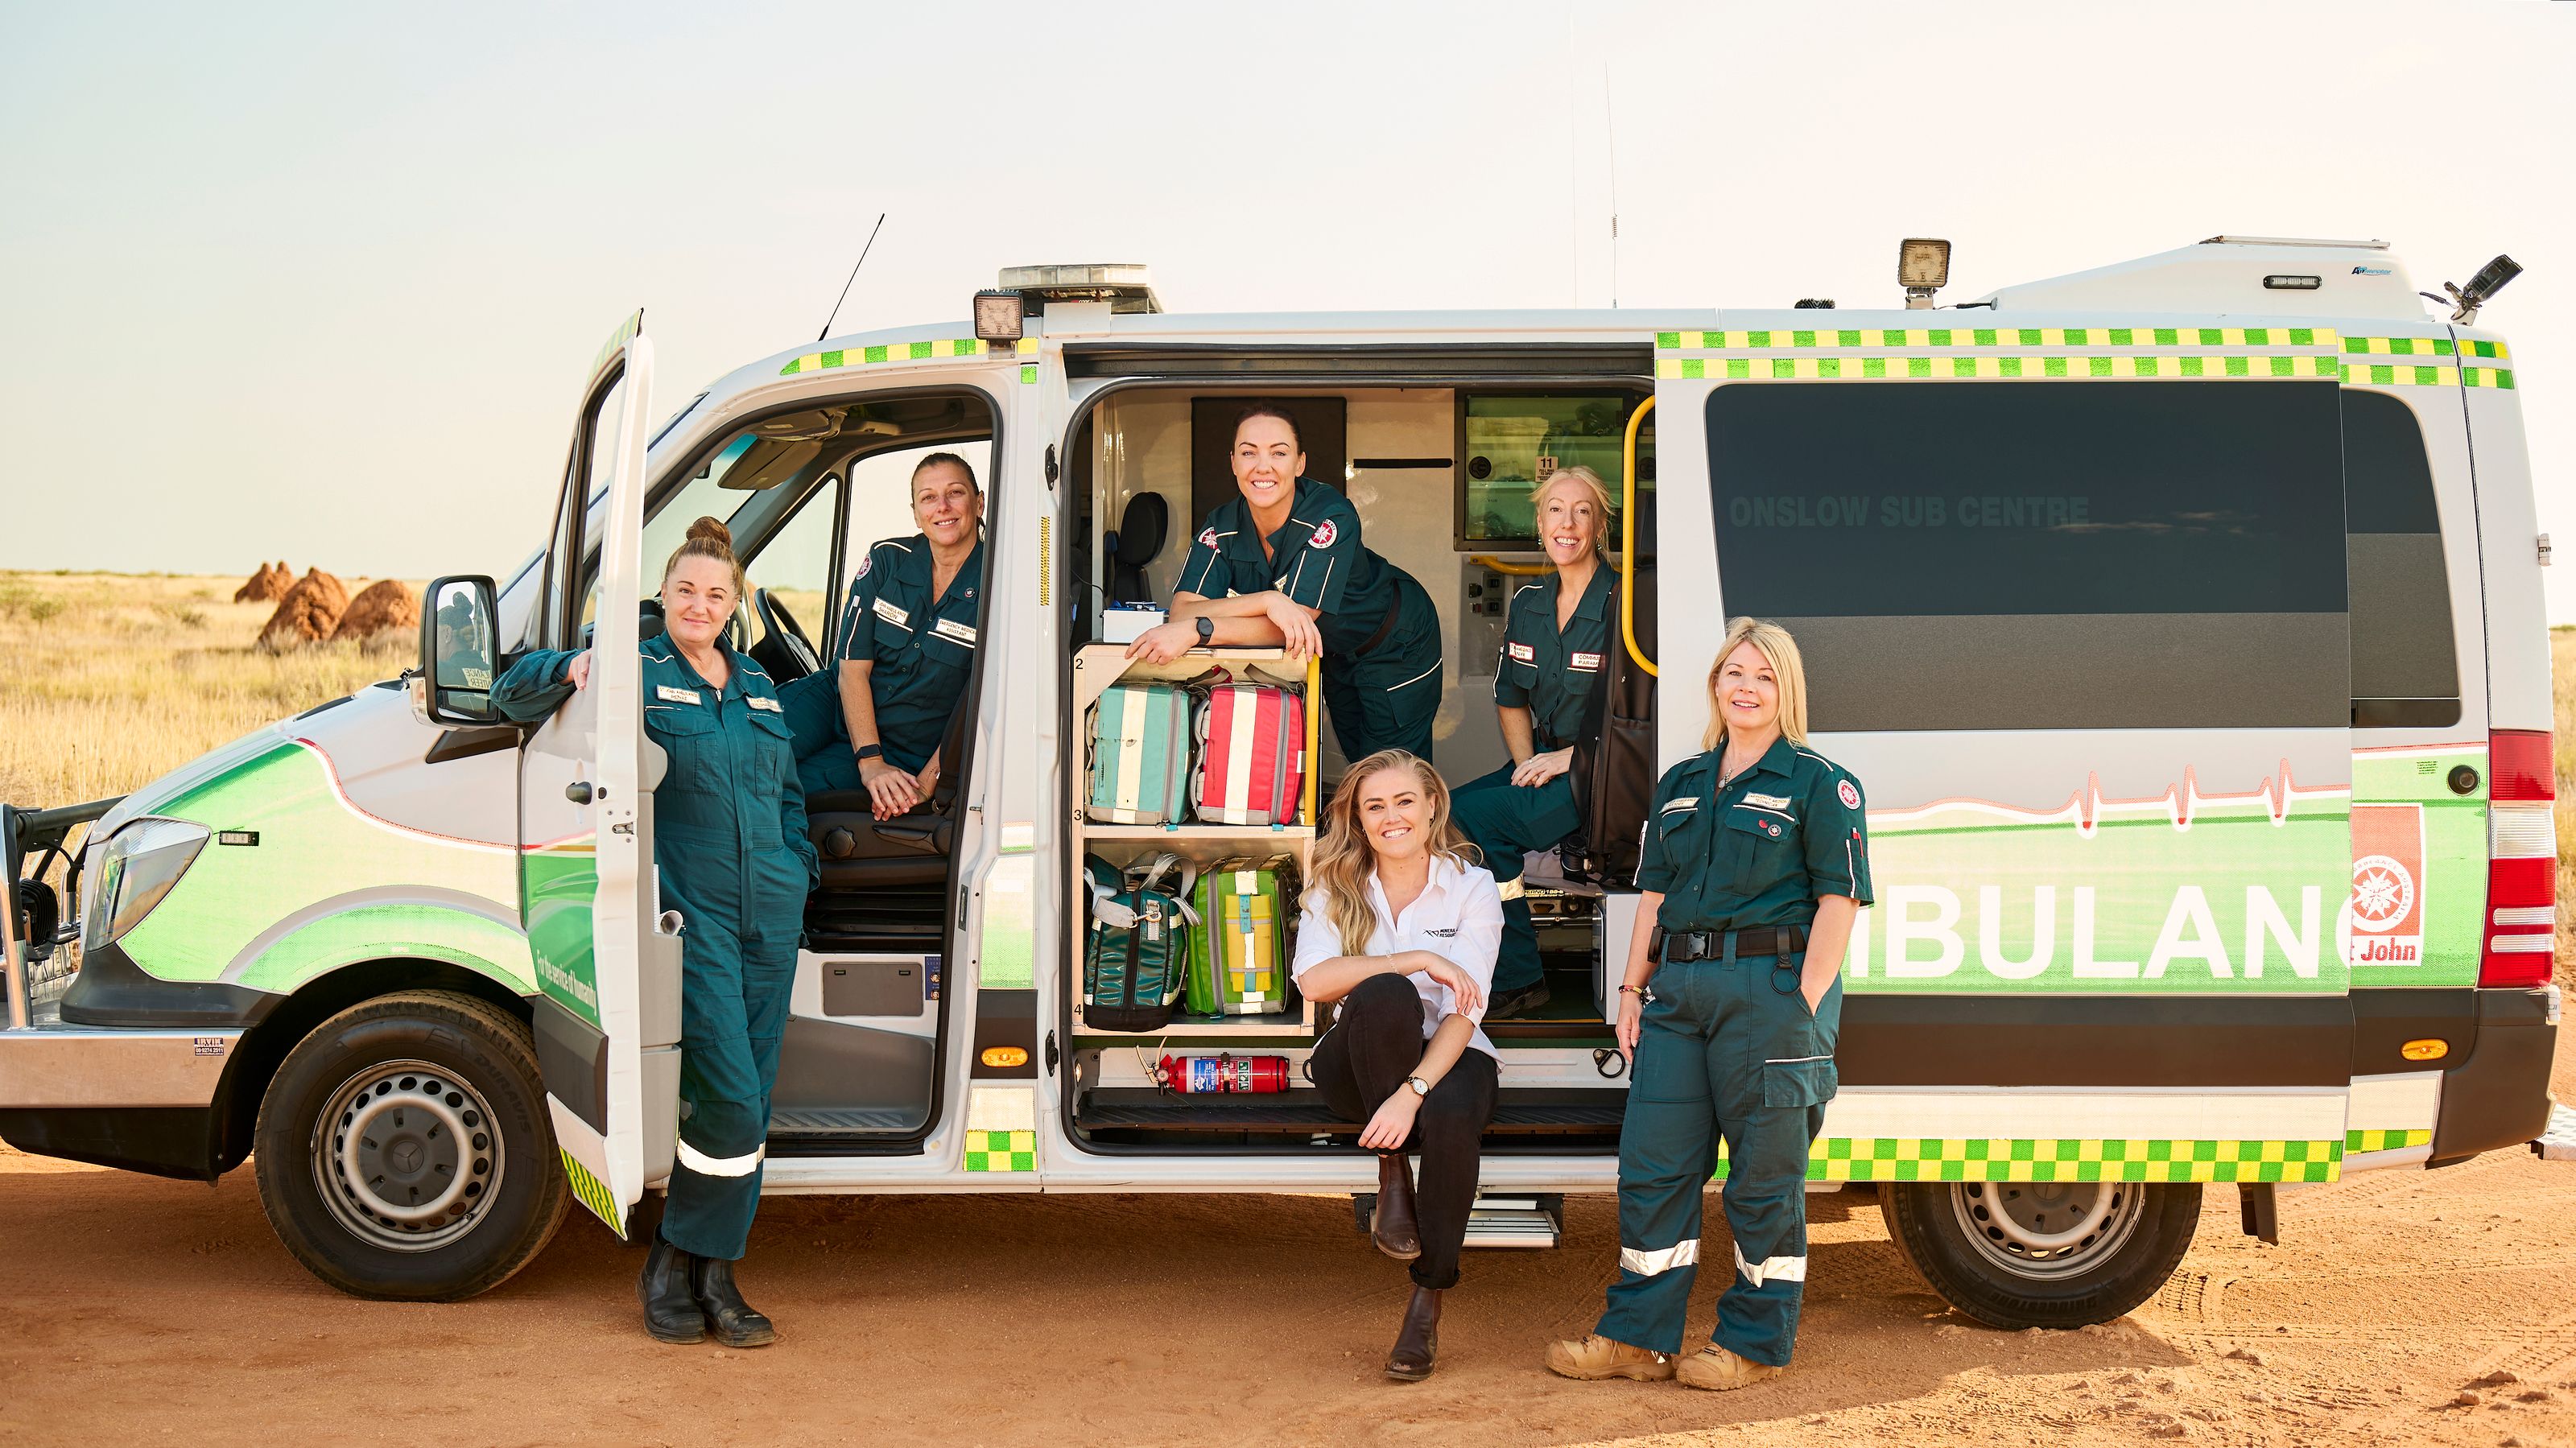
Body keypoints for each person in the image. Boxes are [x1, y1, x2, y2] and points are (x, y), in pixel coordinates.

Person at [490, 517, 818, 1349]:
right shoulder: (634, 671)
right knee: (733, 1096)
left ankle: (694, 1273)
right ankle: (694, 1259)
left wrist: (797, 864)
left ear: (734, 602)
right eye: (684, 591)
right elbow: (510, 692)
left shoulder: (754, 685)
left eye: (715, 593)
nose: (698, 604)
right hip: (693, 916)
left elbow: (785, 795)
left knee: (746, 1097)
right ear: (662, 598)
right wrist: (575, 664)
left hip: (768, 916)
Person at [1544, 618, 1871, 1392]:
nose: (1746, 686)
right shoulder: (1683, 782)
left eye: (1762, 674)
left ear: (1784, 689)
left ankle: (1754, 1343)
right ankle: (1637, 1338)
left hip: (1769, 993)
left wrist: (1803, 1000)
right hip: (1677, 993)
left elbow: (1841, 899)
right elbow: (1652, 894)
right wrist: (1630, 988)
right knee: (1653, 1167)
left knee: (1763, 1178)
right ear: (1716, 685)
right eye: (1733, 672)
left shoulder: (1821, 783)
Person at [1291, 749, 1501, 1382]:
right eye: (1374, 806)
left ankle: (1427, 1299)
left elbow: (1466, 1011)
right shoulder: (1336, 885)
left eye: (1404, 801)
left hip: (1445, 1051)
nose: (1391, 817)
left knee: (1456, 1106)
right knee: (1388, 993)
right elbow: (1314, 979)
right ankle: (1392, 1171)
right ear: (1357, 819)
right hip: (1354, 1066)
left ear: (1433, 805)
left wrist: (1412, 1092)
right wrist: (1413, 959)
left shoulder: (1472, 887)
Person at [1125, 403, 1443, 761]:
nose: (1263, 466)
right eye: (1249, 453)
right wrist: (1266, 600)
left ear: (1300, 463)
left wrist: (1201, 629)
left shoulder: (1329, 515)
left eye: (1279, 452)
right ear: (1233, 462)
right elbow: (1182, 610)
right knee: (1362, 768)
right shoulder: (1222, 525)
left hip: (1395, 640)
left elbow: (1292, 625)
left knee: (1395, 772)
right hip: (1334, 650)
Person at [1448, 465, 1620, 1019]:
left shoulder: (1626, 604)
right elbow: (1509, 697)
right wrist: (1528, 766)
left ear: (1598, 525)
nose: (1566, 524)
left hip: (1604, 772)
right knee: (1443, 813)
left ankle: (1519, 978)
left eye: (1582, 511)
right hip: (1544, 761)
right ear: (1539, 522)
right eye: (1554, 510)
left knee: (1479, 820)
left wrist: (1566, 759)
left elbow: (1645, 717)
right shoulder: (1529, 602)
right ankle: (1476, 962)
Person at [779, 452, 985, 819]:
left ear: (979, 502)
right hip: (837, 702)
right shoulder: (888, 559)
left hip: (906, 748)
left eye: (955, 493)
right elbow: (852, 670)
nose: (942, 507)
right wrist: (870, 761)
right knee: (748, 746)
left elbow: (982, 705)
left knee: (775, 788)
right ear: (915, 511)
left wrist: (927, 783)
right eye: (928, 497)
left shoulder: (998, 585)